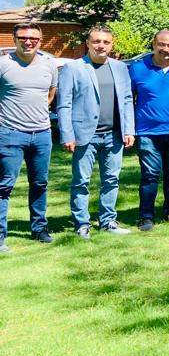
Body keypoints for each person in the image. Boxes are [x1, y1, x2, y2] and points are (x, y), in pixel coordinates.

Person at [57, 25, 135, 238]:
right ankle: (82, 223)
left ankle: (108, 221)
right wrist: (67, 134)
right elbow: (64, 104)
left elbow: (127, 100)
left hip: (114, 135)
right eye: (96, 41)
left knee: (111, 180)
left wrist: (129, 129)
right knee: (81, 181)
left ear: (112, 44)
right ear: (88, 43)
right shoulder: (73, 68)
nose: (101, 46)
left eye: (106, 42)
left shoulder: (120, 67)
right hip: (85, 135)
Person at [0, 22, 58, 251]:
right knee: (4, 186)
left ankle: (39, 229)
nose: (28, 41)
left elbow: (50, 95)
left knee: (40, 184)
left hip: (42, 135)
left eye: (33, 38)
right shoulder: (3, 64)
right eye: (23, 37)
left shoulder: (49, 65)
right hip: (9, 135)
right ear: (14, 40)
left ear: (40, 41)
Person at [130, 30, 169, 232]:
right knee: (150, 175)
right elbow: (126, 99)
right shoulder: (137, 69)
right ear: (153, 44)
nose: (166, 49)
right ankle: (146, 216)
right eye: (162, 44)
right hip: (147, 132)